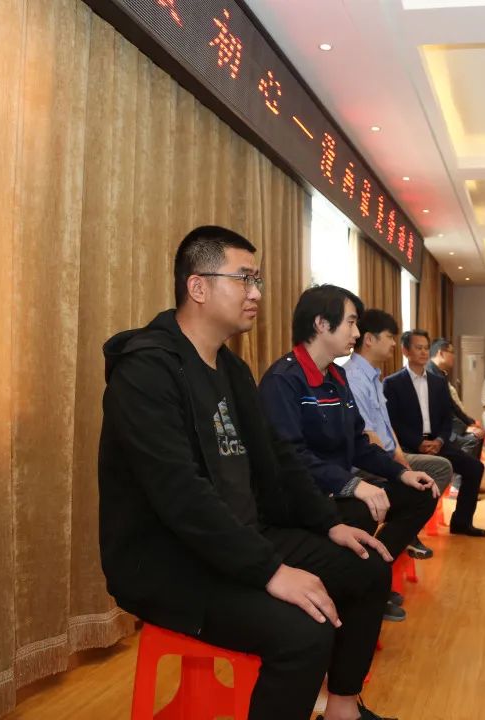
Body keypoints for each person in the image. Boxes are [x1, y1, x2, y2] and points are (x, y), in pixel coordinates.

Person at [99, 226, 395, 720]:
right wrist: (271, 572)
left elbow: (279, 457)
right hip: (170, 558)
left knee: (367, 568)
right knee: (305, 630)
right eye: (244, 279)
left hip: (241, 538)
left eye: (257, 280)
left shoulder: (232, 370)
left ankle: (343, 709)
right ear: (197, 286)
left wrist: (329, 523)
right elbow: (180, 494)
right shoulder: (146, 371)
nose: (256, 293)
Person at [258, 285, 439, 621]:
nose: (357, 334)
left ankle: (376, 571)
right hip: (303, 502)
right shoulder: (283, 380)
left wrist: (401, 472)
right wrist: (353, 485)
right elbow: (291, 457)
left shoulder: (337, 376)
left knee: (420, 493)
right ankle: (364, 582)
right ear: (321, 324)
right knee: (365, 513)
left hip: (337, 490)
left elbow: (357, 443)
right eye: (351, 323)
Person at [344, 309, 454, 562]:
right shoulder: (354, 378)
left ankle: (401, 534)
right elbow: (367, 436)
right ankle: (385, 550)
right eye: (389, 337)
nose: (394, 343)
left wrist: (401, 459)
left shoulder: (373, 376)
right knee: (426, 485)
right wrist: (397, 468)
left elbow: (386, 425)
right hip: (367, 462)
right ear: (369, 339)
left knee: (440, 469)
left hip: (387, 455)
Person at [385, 330, 485, 537]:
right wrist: (417, 442)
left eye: (426, 348)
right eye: (418, 348)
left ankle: (461, 523)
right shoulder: (392, 383)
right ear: (405, 351)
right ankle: (409, 529)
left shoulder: (438, 381)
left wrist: (440, 440)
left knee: (475, 468)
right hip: (409, 447)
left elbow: (446, 418)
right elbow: (392, 423)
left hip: (438, 443)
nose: (424, 352)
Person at [427, 338, 485, 460]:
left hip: (446, 426)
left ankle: (470, 470)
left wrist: (470, 422)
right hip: (437, 431)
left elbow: (451, 405)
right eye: (451, 352)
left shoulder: (439, 373)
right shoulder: (430, 374)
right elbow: (443, 411)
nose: (454, 356)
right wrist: (465, 428)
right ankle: (461, 471)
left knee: (478, 434)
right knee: (473, 440)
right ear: (441, 353)